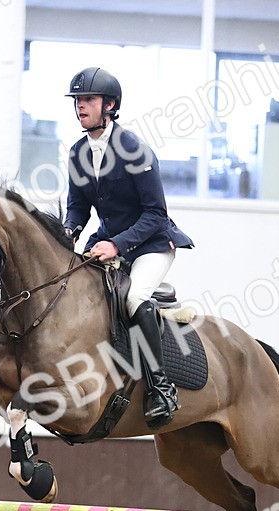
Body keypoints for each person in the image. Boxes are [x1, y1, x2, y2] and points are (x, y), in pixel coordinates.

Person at [62, 66, 194, 430]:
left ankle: (161, 387)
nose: (80, 107)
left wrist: (116, 244)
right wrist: (68, 232)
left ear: (110, 105)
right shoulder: (77, 154)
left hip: (151, 243)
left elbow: (156, 214)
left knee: (133, 299)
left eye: (88, 100)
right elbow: (77, 207)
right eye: (77, 101)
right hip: (108, 242)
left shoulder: (135, 150)